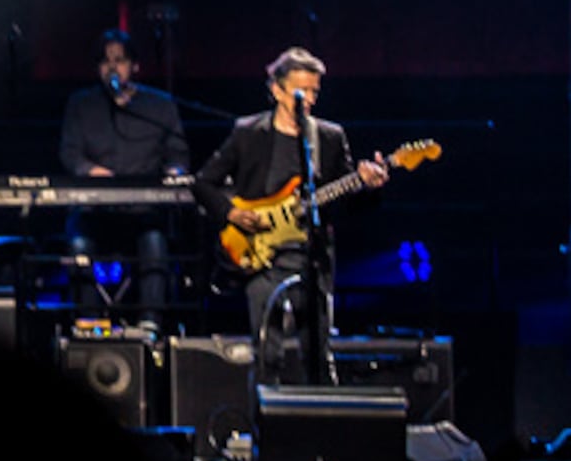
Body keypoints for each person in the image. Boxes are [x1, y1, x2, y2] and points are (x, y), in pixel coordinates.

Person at [190, 47, 389, 378]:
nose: (309, 98)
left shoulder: (328, 137)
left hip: (313, 259)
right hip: (262, 258)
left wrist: (369, 186)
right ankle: (267, 424)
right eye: (302, 90)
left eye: (314, 91)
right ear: (277, 90)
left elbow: (350, 203)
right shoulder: (248, 133)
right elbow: (202, 184)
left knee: (318, 356)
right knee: (268, 355)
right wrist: (232, 214)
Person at [56, 27, 191, 317]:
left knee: (155, 243)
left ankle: (150, 325)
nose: (113, 67)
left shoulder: (160, 106)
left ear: (135, 66)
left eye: (120, 60)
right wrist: (89, 170)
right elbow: (69, 152)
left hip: (143, 213)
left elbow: (178, 153)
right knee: (79, 244)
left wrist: (173, 175)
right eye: (106, 61)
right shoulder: (81, 104)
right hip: (94, 213)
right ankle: (87, 323)